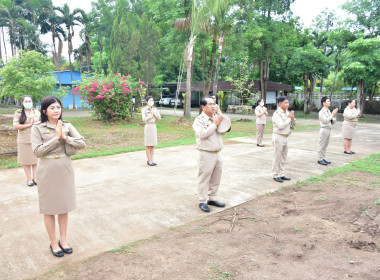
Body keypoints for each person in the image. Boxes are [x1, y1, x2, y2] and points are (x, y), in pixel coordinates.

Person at [31, 96, 86, 257]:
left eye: (58, 107)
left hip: (65, 168)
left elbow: (82, 143)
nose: (56, 110)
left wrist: (65, 137)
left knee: (64, 207)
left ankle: (63, 240)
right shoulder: (38, 128)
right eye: (52, 108)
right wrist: (56, 138)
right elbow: (37, 152)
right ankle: (53, 243)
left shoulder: (67, 125)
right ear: (44, 111)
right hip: (47, 169)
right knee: (49, 209)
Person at [192, 97, 225, 212]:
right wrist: (214, 124)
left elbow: (224, 130)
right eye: (210, 104)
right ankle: (202, 200)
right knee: (204, 178)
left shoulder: (215, 117)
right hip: (205, 154)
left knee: (216, 176)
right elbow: (202, 134)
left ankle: (212, 197)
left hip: (217, 153)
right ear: (203, 107)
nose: (213, 106)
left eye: (214, 104)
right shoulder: (199, 120)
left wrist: (219, 116)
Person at [13, 95, 41, 187]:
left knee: (35, 160)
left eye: (30, 101)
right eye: (26, 101)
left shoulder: (37, 112)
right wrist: (29, 124)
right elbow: (15, 126)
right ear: (22, 102)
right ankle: (29, 179)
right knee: (25, 161)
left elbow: (41, 124)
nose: (28, 103)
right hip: (24, 140)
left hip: (35, 139)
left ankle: (36, 178)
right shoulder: (18, 113)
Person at [272, 96, 296, 183]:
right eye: (285, 103)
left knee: (283, 156)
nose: (287, 104)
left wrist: (292, 118)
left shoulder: (287, 112)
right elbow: (281, 125)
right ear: (280, 104)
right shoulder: (276, 114)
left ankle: (281, 174)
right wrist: (289, 118)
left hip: (285, 137)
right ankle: (275, 174)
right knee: (277, 157)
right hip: (278, 136)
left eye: (288, 103)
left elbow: (293, 124)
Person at [318, 97, 338, 165]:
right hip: (324, 129)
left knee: (325, 145)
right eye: (328, 101)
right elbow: (326, 120)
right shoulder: (321, 112)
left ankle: (323, 157)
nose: (329, 102)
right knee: (322, 145)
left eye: (329, 101)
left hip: (328, 129)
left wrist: (334, 115)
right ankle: (320, 159)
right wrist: (332, 114)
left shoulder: (328, 111)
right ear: (323, 103)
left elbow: (331, 121)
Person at [142, 96, 161, 166]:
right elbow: (144, 119)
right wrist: (151, 115)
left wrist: (155, 114)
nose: (151, 101)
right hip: (148, 126)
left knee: (152, 145)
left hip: (153, 126)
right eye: (150, 100)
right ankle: (149, 160)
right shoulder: (144, 109)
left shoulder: (155, 109)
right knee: (148, 145)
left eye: (152, 100)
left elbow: (159, 118)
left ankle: (152, 160)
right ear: (146, 102)